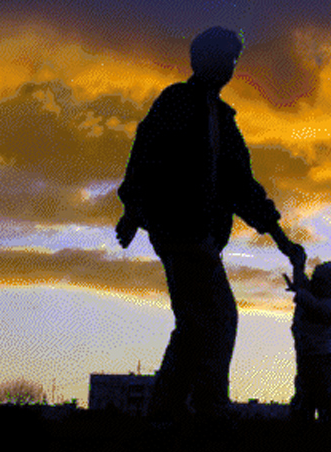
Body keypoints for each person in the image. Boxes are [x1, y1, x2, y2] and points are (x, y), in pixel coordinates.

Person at [115, 26, 303, 424]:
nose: (229, 66)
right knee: (217, 317)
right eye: (223, 57)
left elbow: (242, 186)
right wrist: (133, 210)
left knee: (198, 322)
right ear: (201, 59)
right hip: (179, 228)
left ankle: (173, 408)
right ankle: (204, 404)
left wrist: (281, 238)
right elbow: (148, 154)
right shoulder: (177, 101)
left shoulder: (223, 119)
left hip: (200, 233)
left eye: (233, 59)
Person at [285, 252, 331, 429]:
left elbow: (318, 308)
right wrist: (298, 266)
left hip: (325, 360)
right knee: (304, 398)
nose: (315, 285)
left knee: (328, 399)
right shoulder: (312, 298)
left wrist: (300, 293)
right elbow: (305, 287)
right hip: (307, 359)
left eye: (321, 281)